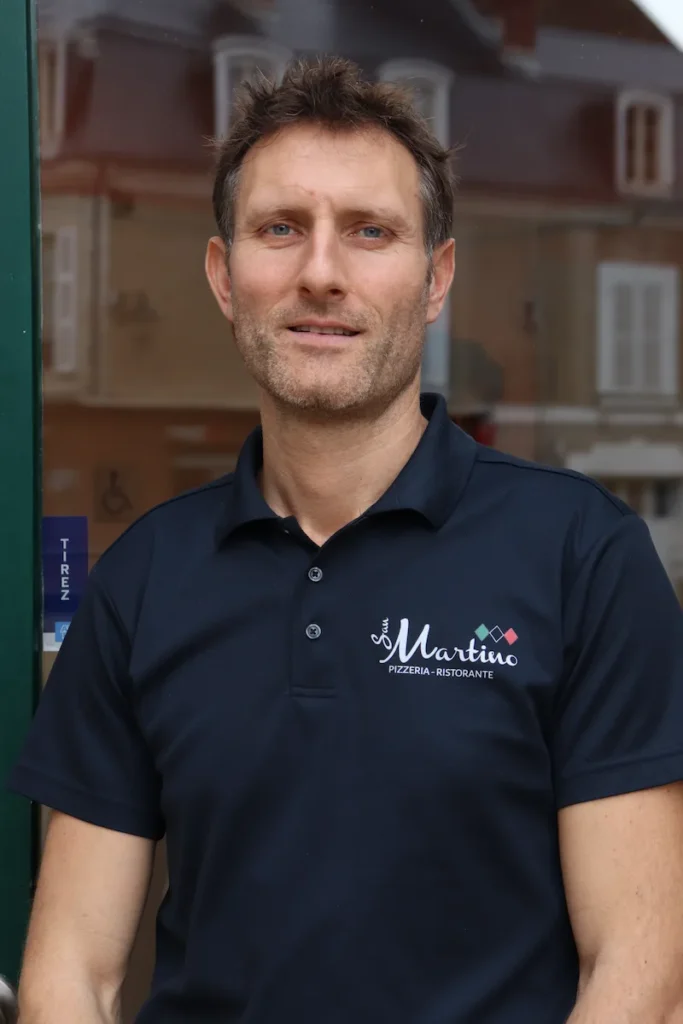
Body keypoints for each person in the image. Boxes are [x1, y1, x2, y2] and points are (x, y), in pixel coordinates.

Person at [9, 56, 683, 1024]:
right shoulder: (145, 578)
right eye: (280, 228)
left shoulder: (581, 555)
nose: (320, 273)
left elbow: (639, 975)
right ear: (223, 276)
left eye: (370, 231)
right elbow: (72, 975)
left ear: (435, 278)